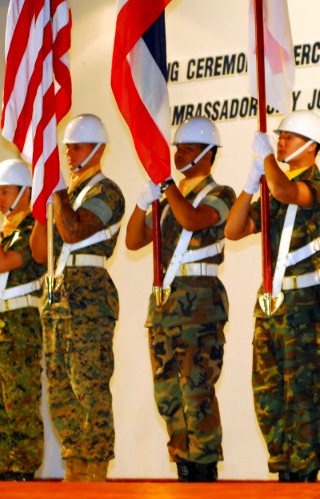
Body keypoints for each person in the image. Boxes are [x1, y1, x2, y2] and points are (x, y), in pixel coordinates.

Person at [224, 111, 320, 483]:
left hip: (302, 302)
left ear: (312, 145)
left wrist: (269, 164)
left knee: (300, 397)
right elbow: (234, 229)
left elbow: (289, 193)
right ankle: (284, 472)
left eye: (289, 137)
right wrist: (248, 184)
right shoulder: (271, 186)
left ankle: (304, 478)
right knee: (268, 395)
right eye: (280, 136)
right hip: (270, 302)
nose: (281, 142)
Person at [124, 116, 236, 482]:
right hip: (164, 309)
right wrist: (144, 205)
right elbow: (134, 241)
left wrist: (169, 187)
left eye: (186, 148)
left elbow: (193, 221)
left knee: (197, 392)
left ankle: (204, 471)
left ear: (208, 154)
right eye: (177, 147)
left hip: (200, 308)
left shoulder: (220, 195)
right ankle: (184, 468)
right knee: (168, 396)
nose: (178, 153)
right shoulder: (172, 198)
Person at [29, 113, 125, 482]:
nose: (70, 154)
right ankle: (75, 470)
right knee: (60, 391)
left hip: (89, 298)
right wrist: (44, 204)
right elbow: (40, 252)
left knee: (89, 387)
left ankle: (96, 474)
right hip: (58, 300)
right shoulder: (63, 196)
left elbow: (73, 232)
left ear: (99, 150)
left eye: (78, 147)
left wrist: (55, 195)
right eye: (67, 147)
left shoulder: (106, 191)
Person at [0, 159, 46, 481]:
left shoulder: (34, 231)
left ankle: (24, 475)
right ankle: (4, 474)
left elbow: (3, 264)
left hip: (18, 331)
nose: (0, 200)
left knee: (20, 409)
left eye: (5, 192)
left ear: (25, 192)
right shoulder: (2, 234)